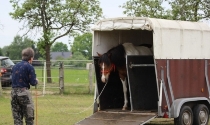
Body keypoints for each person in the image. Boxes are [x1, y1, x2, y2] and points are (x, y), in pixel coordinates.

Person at [11, 47, 38, 125]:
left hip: (13, 93)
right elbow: (33, 82)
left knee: (17, 118)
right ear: (31, 58)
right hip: (23, 93)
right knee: (29, 116)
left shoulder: (14, 66)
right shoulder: (29, 67)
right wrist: (36, 81)